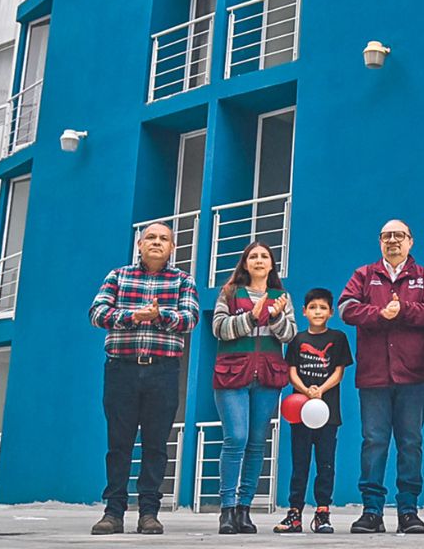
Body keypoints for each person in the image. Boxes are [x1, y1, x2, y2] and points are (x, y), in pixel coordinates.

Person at [88, 222, 198, 536]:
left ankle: (149, 513)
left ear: (173, 247)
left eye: (164, 239)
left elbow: (189, 319)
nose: (157, 242)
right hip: (121, 369)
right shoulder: (118, 276)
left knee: (155, 445)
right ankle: (113, 512)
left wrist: (160, 316)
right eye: (150, 237)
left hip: (163, 372)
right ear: (139, 244)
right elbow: (96, 313)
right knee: (119, 444)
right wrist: (132, 317)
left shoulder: (182, 281)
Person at [340, 219, 424, 534]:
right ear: (379, 242)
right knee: (374, 442)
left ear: (411, 241)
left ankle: (408, 511)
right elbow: (345, 308)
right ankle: (371, 511)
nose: (393, 240)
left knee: (411, 442)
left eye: (399, 235)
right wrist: (378, 314)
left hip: (413, 375)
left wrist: (403, 311)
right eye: (387, 236)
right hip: (374, 375)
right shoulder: (363, 275)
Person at [211, 242, 298, 534]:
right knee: (236, 437)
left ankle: (245, 509)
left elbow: (289, 336)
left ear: (272, 264)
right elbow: (219, 329)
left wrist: (275, 316)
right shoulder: (230, 293)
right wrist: (251, 316)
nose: (259, 260)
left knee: (257, 442)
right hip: (233, 375)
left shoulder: (282, 297)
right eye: (253, 256)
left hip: (268, 378)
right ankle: (227, 508)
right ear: (245, 263)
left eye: (264, 256)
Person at [274, 288, 352, 534]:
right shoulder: (297, 340)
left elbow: (339, 372)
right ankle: (294, 514)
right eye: (313, 307)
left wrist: (321, 390)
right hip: (300, 413)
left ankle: (322, 513)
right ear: (304, 311)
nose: (318, 311)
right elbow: (292, 371)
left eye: (323, 308)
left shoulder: (339, 338)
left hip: (328, 414)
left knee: (325, 463)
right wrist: (306, 390)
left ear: (330, 312)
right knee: (300, 463)